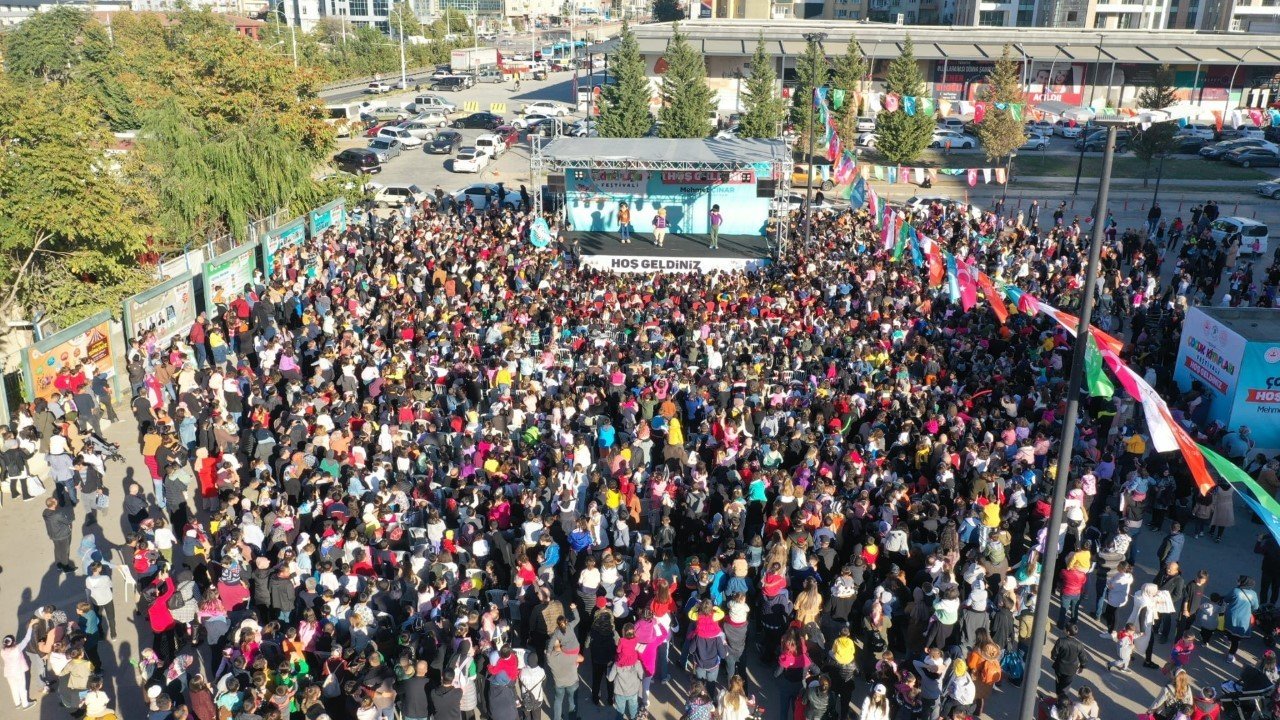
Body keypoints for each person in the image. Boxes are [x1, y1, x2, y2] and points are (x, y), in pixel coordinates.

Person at [1, 619, 38, 710]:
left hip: (8, 673)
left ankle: (17, 703)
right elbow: (27, 638)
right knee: (22, 687)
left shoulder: (2, 651)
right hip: (18, 671)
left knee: (13, 688)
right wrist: (30, 625)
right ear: (13, 642)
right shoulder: (17, 649)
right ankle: (25, 704)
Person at [1224, 576, 1260, 664]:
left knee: (1229, 629)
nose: (1237, 581)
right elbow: (1256, 607)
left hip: (1231, 616)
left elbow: (1226, 599)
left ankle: (1228, 639)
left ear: (1243, 583)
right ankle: (1230, 656)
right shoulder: (1253, 594)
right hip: (1243, 619)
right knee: (1236, 639)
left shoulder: (1235, 591)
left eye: (1239, 581)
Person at [1050, 623, 1087, 697]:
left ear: (1068, 632)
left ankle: (1059, 695)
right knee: (1066, 685)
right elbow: (1083, 659)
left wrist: (1055, 658)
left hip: (1059, 668)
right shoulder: (1079, 645)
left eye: (1065, 629)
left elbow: (1054, 655)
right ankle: (1063, 697)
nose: (1064, 629)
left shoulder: (1061, 641)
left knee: (1058, 682)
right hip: (1071, 670)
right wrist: (1081, 667)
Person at [43, 497, 75, 573]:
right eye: (55, 500)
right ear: (54, 504)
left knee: (57, 549)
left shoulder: (45, 512)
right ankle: (65, 567)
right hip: (62, 535)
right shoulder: (57, 514)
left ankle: (59, 564)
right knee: (64, 551)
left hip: (53, 535)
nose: (56, 500)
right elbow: (67, 521)